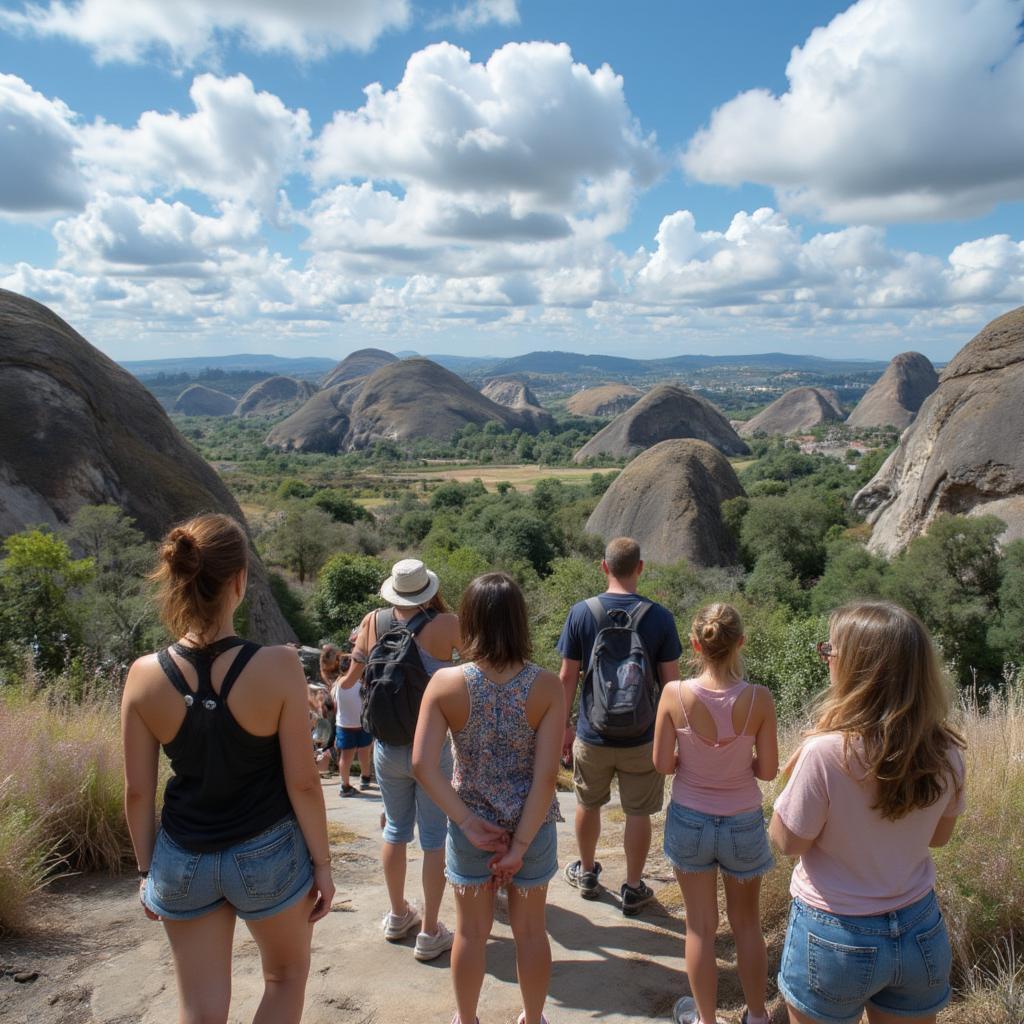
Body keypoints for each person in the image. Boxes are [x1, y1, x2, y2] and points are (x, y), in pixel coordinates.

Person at [121, 513, 334, 1024]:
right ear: (240, 581)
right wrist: (323, 866)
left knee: (200, 1005)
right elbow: (303, 783)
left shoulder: (144, 676)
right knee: (284, 979)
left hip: (181, 858)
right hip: (268, 854)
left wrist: (147, 872)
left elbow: (136, 792)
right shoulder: (279, 666)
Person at [770, 601, 967, 1024]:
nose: (827, 660)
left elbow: (788, 842)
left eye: (830, 651)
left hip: (835, 935)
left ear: (857, 665)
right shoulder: (947, 751)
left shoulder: (824, 753)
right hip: (920, 930)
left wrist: (792, 778)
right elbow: (938, 837)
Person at [413, 572, 564, 1024]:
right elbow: (545, 778)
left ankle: (467, 1018)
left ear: (470, 621)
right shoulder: (547, 687)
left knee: (470, 934)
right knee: (532, 934)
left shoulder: (445, 684)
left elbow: (422, 765)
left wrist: (465, 821)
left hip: (471, 830)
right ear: (520, 621)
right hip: (531, 829)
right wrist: (518, 846)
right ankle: (533, 1019)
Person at [653, 603, 779, 1024]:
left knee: (700, 928)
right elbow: (767, 770)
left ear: (695, 644)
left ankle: (706, 1019)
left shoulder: (674, 695)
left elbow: (661, 763)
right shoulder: (760, 699)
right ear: (740, 642)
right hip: (742, 819)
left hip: (690, 818)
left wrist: (687, 759)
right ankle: (757, 1015)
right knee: (747, 925)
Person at [337, 557, 461, 961]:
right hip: (431, 747)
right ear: (428, 588)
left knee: (394, 830)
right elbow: (478, 668)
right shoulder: (446, 624)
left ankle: (396, 915)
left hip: (386, 747)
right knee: (433, 837)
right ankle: (429, 932)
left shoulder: (373, 621)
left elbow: (352, 680)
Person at [558, 536, 682, 915]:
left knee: (587, 803)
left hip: (592, 733)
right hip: (643, 736)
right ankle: (632, 886)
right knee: (638, 813)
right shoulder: (659, 617)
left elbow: (566, 677)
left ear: (604, 567)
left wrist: (563, 727)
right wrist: (672, 738)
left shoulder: (581, 613)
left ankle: (588, 872)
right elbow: (672, 686)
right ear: (640, 568)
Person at [322, 643, 371, 794]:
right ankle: (360, 780)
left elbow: (334, 707)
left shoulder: (336, 685)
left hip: (346, 726)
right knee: (362, 754)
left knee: (348, 756)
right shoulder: (356, 683)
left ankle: (350, 783)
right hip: (358, 725)